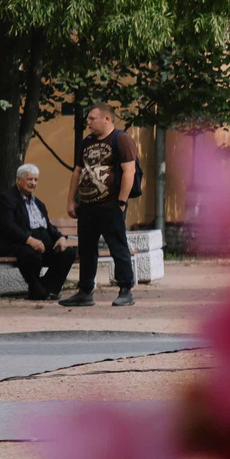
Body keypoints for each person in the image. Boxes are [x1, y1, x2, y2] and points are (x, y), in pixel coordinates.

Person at [63, 103, 139, 308]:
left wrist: (121, 202)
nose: (87, 122)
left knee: (118, 246)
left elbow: (129, 172)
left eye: (91, 119)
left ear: (106, 119)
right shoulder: (86, 142)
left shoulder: (121, 139)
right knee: (87, 249)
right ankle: (85, 291)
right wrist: (72, 200)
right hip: (87, 205)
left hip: (111, 204)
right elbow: (77, 172)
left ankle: (125, 290)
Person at [0, 162, 74, 303]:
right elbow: (8, 226)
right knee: (32, 255)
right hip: (15, 244)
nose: (33, 183)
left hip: (40, 244)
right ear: (18, 180)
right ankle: (38, 289)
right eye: (29, 179)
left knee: (67, 253)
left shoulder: (39, 204)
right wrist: (29, 240)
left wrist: (61, 237)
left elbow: (48, 226)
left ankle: (45, 288)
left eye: (35, 180)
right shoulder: (6, 199)